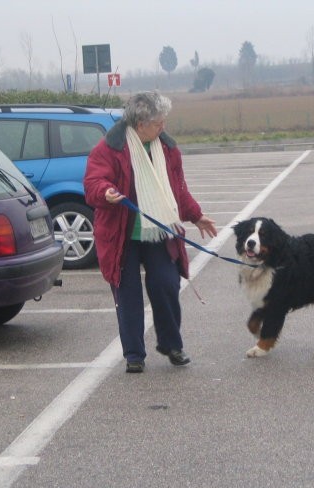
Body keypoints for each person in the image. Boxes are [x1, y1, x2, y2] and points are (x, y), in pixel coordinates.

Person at [84, 91, 217, 373]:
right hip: (122, 235)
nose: (163, 127)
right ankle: (134, 355)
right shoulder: (110, 148)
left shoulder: (167, 148)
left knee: (166, 284)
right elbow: (93, 181)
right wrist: (104, 192)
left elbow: (178, 189)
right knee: (128, 293)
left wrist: (196, 215)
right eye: (158, 122)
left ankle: (172, 344)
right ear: (140, 123)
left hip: (158, 231)